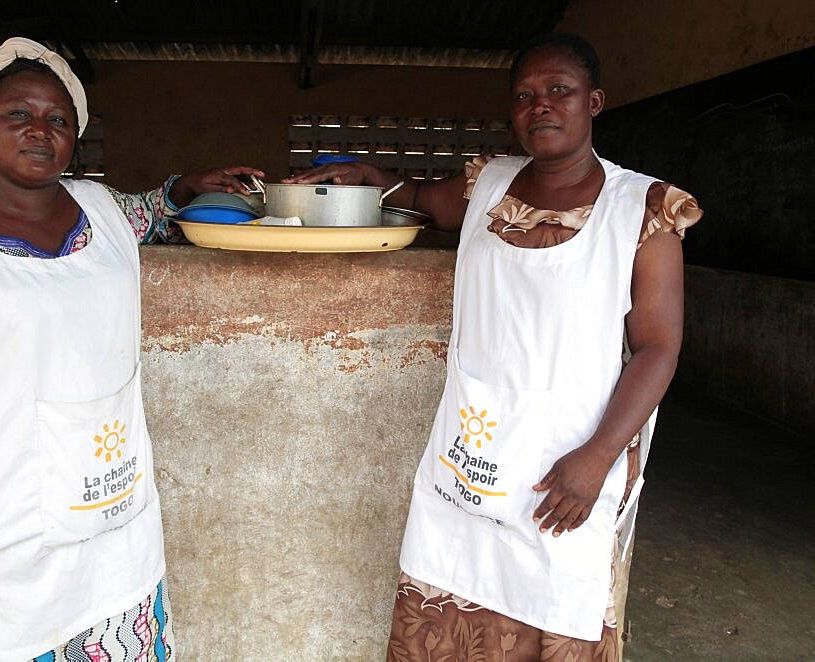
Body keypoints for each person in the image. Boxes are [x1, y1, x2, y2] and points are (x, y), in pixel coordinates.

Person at [286, 33, 701, 661]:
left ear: (594, 101)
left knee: (557, 594)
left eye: (559, 90)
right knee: (457, 588)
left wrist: (596, 458)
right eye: (524, 96)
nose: (541, 106)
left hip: (573, 456)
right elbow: (428, 201)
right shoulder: (488, 184)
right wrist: (375, 180)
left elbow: (658, 348)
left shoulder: (640, 211)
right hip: (472, 448)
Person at [0, 37, 261, 661]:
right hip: (0, 519)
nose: (38, 132)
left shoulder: (100, 210)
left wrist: (187, 187)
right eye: (17, 115)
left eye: (57, 120)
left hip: (113, 509)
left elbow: (150, 213)